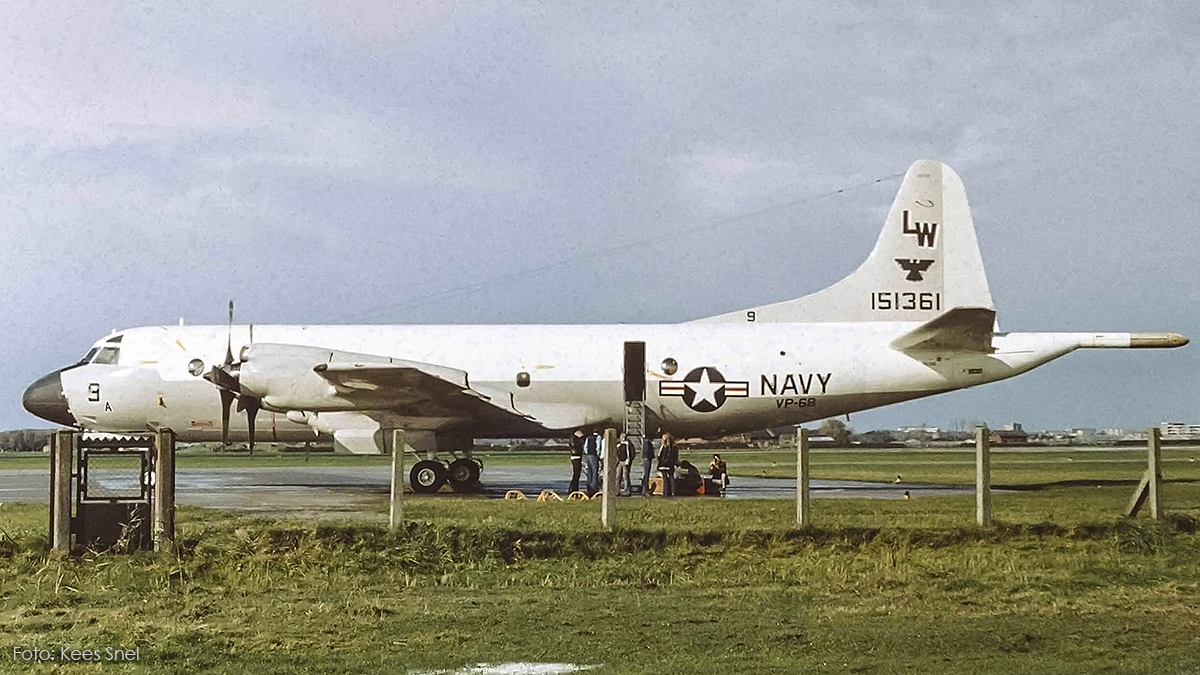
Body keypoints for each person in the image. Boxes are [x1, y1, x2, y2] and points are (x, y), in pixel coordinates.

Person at [656, 432, 678, 497]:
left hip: (663, 464)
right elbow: (675, 456)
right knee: (671, 477)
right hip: (671, 464)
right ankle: (673, 491)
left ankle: (665, 491)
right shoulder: (674, 447)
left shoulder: (664, 446)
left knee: (665, 478)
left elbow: (659, 455)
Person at [615, 432, 635, 496]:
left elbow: (632, 453)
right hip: (619, 462)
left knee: (625, 476)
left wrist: (629, 460)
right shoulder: (618, 444)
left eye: (624, 437)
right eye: (622, 437)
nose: (623, 438)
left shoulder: (628, 444)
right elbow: (615, 452)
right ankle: (616, 490)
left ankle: (627, 490)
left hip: (626, 461)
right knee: (618, 476)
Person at [584, 429, 602, 496]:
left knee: (589, 472)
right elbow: (598, 447)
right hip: (594, 455)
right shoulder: (598, 437)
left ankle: (589, 487)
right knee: (595, 472)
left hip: (588, 455)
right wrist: (598, 455)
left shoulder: (588, 437)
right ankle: (594, 488)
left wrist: (587, 453)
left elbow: (585, 447)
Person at [568, 428, 585, 494]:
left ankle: (573, 488)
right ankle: (574, 489)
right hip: (576, 457)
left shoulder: (573, 438)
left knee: (576, 474)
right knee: (576, 474)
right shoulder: (575, 439)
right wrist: (581, 438)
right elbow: (577, 447)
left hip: (575, 457)